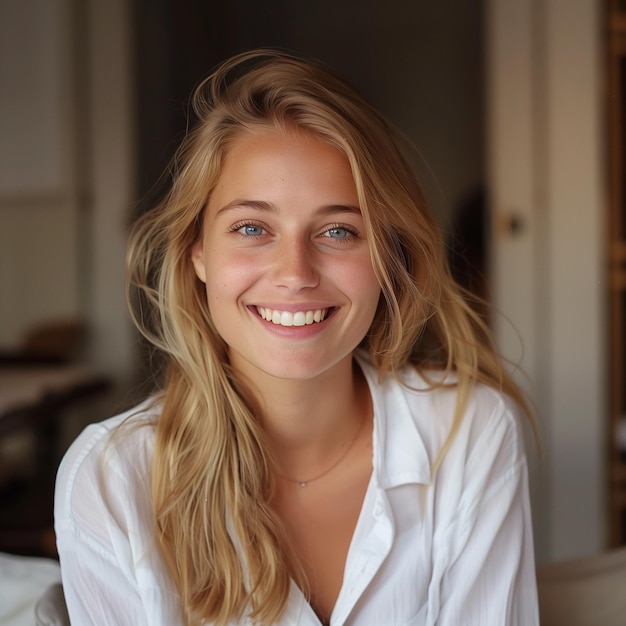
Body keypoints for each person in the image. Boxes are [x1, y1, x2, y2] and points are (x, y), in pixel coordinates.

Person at [54, 49, 539, 626]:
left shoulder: (469, 433)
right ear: (198, 252)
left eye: (338, 230)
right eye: (252, 228)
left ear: (389, 254)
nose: (295, 272)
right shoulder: (111, 479)